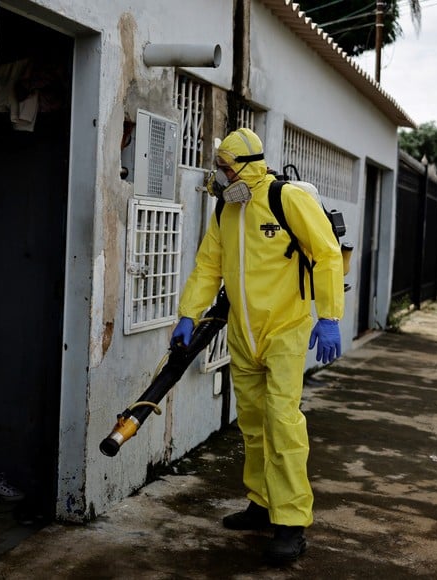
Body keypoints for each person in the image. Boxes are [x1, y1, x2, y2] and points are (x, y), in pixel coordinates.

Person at [171, 128, 344, 563]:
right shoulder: (226, 211)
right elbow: (209, 265)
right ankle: (261, 503)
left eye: (226, 168)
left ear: (246, 167)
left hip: (285, 329)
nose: (221, 175)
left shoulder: (288, 199)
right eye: (220, 168)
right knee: (250, 422)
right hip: (243, 335)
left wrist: (329, 316)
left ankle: (291, 522)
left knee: (283, 424)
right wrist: (189, 313)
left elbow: (326, 252)